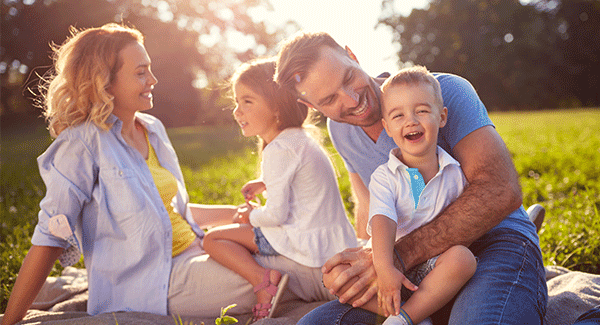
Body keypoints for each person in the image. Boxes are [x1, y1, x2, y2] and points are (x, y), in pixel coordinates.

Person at [0, 25, 332, 325]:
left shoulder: (152, 129)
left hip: (197, 250)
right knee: (290, 270)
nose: (152, 81)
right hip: (156, 283)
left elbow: (172, 212)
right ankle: (366, 287)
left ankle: (368, 269)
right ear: (105, 81)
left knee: (300, 245)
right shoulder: (81, 145)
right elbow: (50, 238)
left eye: (150, 70)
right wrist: (11, 320)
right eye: (141, 73)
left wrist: (239, 215)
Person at [275, 31, 547, 324]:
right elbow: (368, 210)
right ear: (314, 108)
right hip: (417, 268)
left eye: (348, 78)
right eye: (330, 99)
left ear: (352, 54)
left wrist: (398, 256)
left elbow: (500, 191)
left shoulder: (445, 91)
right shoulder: (340, 130)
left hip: (492, 241)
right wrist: (364, 263)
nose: (352, 100)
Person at [202, 58, 357, 322]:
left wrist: (247, 217)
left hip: (308, 250)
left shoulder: (279, 149)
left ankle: (263, 281)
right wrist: (264, 182)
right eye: (237, 102)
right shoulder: (300, 139)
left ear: (276, 107)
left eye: (247, 102)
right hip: (332, 244)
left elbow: (275, 215)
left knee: (212, 239)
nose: (237, 111)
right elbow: (299, 180)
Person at [357, 66, 476, 325]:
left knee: (463, 259)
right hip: (394, 266)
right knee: (340, 278)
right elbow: (382, 220)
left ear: (441, 117)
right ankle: (417, 311)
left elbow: (467, 221)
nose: (411, 121)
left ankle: (405, 318)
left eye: (421, 111)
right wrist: (385, 268)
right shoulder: (384, 176)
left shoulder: (455, 172)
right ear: (387, 128)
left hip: (437, 268)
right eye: (398, 115)